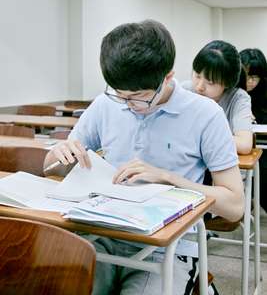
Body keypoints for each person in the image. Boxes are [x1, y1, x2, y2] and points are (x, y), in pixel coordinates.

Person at [44, 20, 244, 295]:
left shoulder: (206, 114)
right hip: (101, 235)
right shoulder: (105, 104)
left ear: (168, 77)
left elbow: (234, 206)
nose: (129, 106)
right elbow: (51, 169)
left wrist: (169, 178)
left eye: (138, 98)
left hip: (168, 247)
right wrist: (57, 156)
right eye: (120, 96)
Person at [182, 40, 253, 155]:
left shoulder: (238, 98)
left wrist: (200, 136)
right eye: (197, 75)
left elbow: (244, 145)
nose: (199, 87)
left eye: (210, 82)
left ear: (227, 83)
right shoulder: (185, 90)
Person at [240, 48, 267, 213]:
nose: (249, 81)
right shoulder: (233, 93)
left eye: (254, 77)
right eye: (246, 76)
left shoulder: (263, 95)